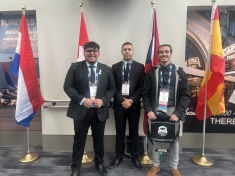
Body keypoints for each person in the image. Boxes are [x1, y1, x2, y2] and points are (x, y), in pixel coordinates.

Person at [64, 41, 115, 176]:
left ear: (99, 53)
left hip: (99, 111)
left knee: (99, 139)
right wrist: (82, 100)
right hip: (81, 110)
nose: (92, 53)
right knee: (79, 140)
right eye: (88, 51)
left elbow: (112, 88)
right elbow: (67, 86)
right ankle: (75, 167)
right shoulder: (75, 67)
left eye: (94, 51)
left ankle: (99, 163)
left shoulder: (106, 69)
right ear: (84, 53)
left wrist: (103, 100)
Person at [142, 44, 191, 176]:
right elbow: (145, 93)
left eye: (167, 52)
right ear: (158, 55)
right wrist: (149, 110)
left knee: (174, 140)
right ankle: (156, 166)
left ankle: (173, 167)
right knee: (157, 138)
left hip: (173, 110)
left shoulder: (179, 72)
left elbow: (186, 95)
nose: (164, 54)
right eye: (161, 52)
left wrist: (178, 113)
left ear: (171, 54)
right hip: (156, 110)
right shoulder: (152, 73)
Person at [109, 42, 145, 170]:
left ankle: (135, 157)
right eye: (125, 49)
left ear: (133, 51)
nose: (127, 51)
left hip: (133, 106)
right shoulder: (114, 67)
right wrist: (121, 99)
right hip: (119, 106)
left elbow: (142, 87)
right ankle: (118, 156)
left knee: (134, 133)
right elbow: (112, 87)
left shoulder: (140, 67)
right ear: (121, 52)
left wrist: (131, 100)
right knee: (119, 132)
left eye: (129, 49)